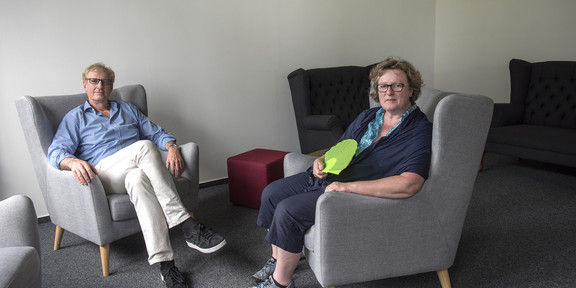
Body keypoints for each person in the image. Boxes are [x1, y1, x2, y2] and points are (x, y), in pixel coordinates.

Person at [249, 57, 433, 288]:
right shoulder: (369, 116)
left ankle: (281, 282)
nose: (389, 91)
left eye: (397, 85)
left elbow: (410, 184)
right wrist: (322, 160)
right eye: (383, 86)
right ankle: (277, 260)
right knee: (271, 193)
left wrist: (346, 187)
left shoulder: (419, 130)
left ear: (411, 90)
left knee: (288, 211)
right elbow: (341, 147)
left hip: (350, 189)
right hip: (329, 176)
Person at [47, 63, 226, 288]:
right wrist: (72, 162)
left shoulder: (127, 109)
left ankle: (165, 265)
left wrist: (171, 147)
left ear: (111, 85)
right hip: (104, 174)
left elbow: (156, 132)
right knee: (144, 147)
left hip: (133, 170)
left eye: (105, 81)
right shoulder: (75, 118)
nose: (99, 86)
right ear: (85, 85)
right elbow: (55, 152)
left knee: (138, 179)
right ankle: (186, 224)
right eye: (94, 81)